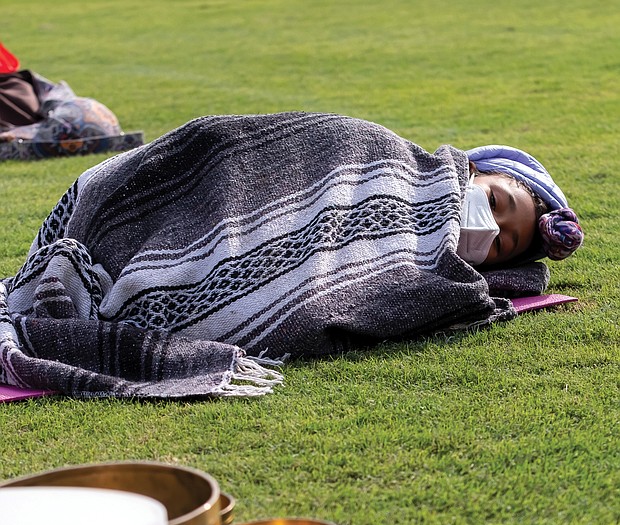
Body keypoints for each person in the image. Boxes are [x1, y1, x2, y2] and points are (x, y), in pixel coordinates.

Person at [0, 112, 582, 400]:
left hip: (232, 288)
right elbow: (286, 145)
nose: (492, 224)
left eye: (503, 241)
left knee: (186, 300)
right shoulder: (388, 155)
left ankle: (151, 296)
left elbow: (346, 297)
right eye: (499, 201)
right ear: (475, 170)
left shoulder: (440, 275)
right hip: (194, 202)